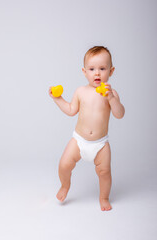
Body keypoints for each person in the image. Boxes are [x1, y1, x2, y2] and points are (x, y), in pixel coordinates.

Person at [49, 46, 125, 211]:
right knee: (64, 164)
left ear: (111, 71)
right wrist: (58, 99)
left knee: (105, 173)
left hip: (101, 144)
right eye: (92, 69)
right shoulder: (81, 91)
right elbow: (71, 110)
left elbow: (120, 114)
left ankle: (104, 198)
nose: (97, 73)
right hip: (79, 140)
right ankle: (65, 186)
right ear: (84, 71)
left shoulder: (110, 93)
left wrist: (111, 98)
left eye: (102, 68)